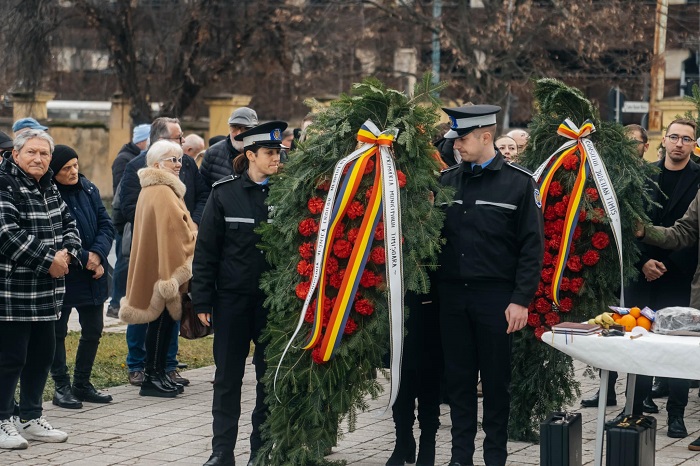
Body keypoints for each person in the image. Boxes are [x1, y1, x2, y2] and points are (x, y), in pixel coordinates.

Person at [437, 105, 544, 466]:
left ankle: (495, 456)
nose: (457, 146)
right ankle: (460, 457)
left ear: (486, 137)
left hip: (496, 298)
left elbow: (532, 247)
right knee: (459, 382)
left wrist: (521, 299)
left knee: (496, 383)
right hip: (452, 297)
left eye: (463, 138)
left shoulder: (518, 182)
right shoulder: (447, 181)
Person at [193, 120, 287, 466]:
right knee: (227, 379)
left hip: (273, 305)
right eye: (270, 153)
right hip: (231, 301)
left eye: (279, 152)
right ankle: (222, 453)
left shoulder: (287, 193)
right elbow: (206, 251)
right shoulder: (224, 192)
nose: (277, 158)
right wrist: (201, 299)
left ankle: (260, 451)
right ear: (250, 155)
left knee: (268, 379)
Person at [0, 129, 82, 449]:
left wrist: (68, 253)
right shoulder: (4, 182)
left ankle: (31, 417)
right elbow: (6, 232)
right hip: (13, 290)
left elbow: (70, 224)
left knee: (41, 355)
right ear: (16, 154)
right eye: (32, 152)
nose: (39, 159)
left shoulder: (48, 184)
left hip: (48, 292)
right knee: (11, 357)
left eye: (44, 154)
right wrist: (49, 260)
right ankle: (2, 418)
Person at [118, 117, 210, 387]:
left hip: (167, 263)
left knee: (166, 322)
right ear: (158, 163)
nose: (179, 164)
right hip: (164, 267)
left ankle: (160, 373)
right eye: (173, 160)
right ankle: (152, 376)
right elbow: (175, 230)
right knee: (158, 323)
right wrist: (194, 236)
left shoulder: (163, 186)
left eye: (180, 159)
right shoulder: (160, 190)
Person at [629, 118, 700, 440]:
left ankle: (676, 412)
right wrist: (645, 262)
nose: (679, 143)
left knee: (679, 346)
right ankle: (635, 406)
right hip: (643, 271)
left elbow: (689, 234)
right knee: (638, 338)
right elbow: (633, 223)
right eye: (674, 137)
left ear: (693, 144)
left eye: (687, 138)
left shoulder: (699, 178)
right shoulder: (643, 175)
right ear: (664, 140)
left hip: (681, 275)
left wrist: (668, 264)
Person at [48, 145, 115, 409]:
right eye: (66, 168)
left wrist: (97, 256)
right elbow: (56, 235)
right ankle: (61, 387)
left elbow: (106, 224)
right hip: (65, 274)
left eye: (75, 165)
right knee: (58, 333)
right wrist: (85, 259)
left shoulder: (88, 189)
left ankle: (82, 383)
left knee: (93, 330)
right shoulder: (50, 194)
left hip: (93, 274)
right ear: (54, 172)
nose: (73, 171)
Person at [385, 291, 442, 466]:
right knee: (402, 376)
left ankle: (428, 444)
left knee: (431, 374)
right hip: (398, 301)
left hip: (435, 304)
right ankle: (403, 440)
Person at [108, 123, 151, 319]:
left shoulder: (132, 157)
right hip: (125, 221)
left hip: (128, 219)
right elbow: (121, 192)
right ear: (143, 140)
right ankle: (116, 303)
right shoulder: (125, 160)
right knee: (123, 263)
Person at [200, 107, 258, 186]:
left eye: (245, 129)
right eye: (235, 128)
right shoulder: (212, 153)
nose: (239, 134)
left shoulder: (266, 154)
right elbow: (202, 190)